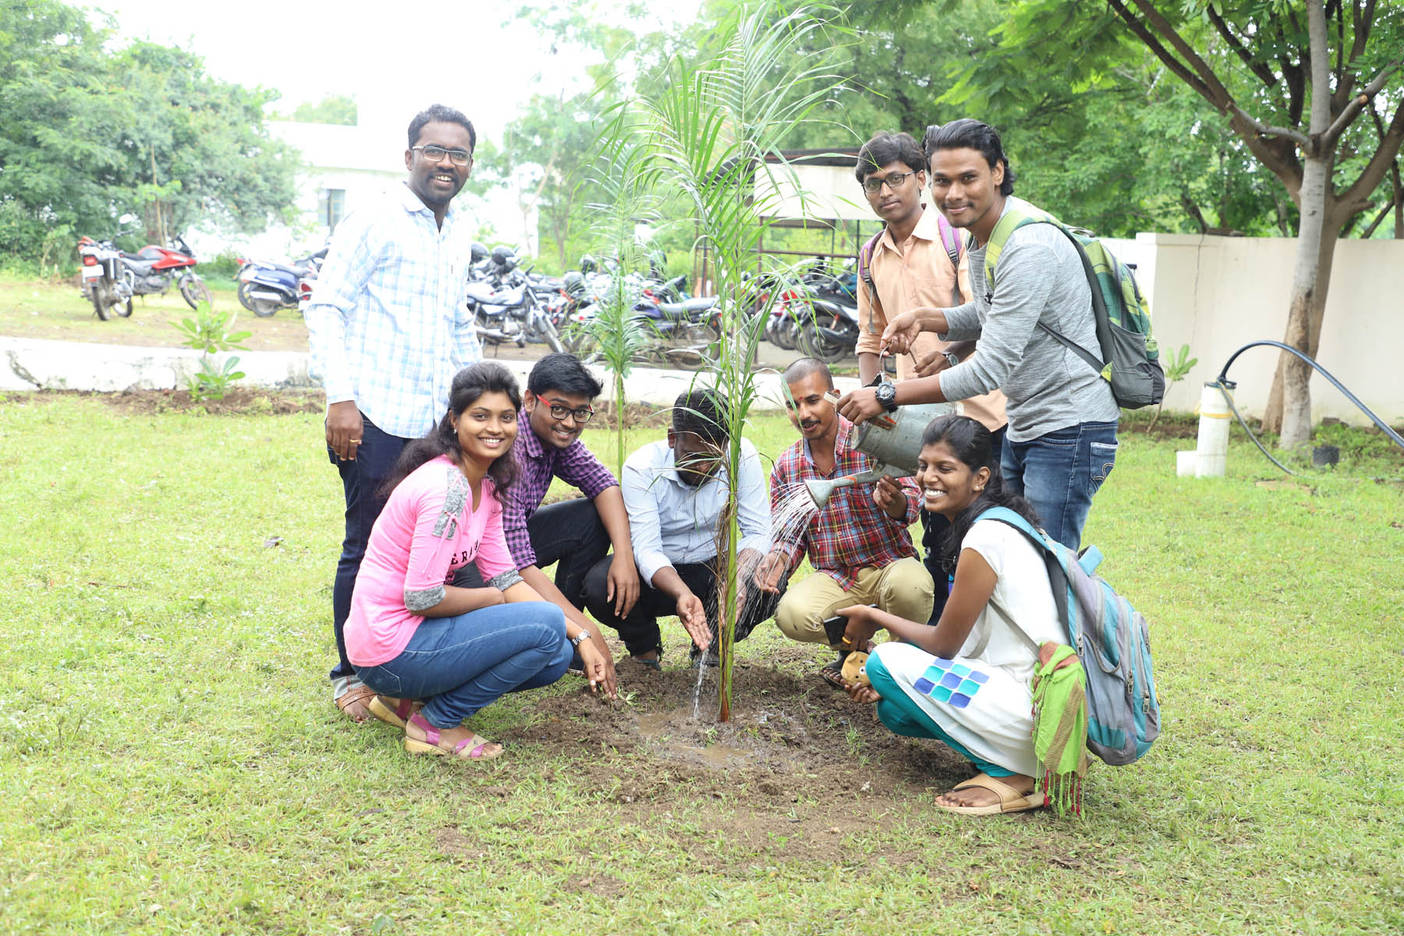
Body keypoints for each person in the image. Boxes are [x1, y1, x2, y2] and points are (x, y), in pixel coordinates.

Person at [839, 119, 1118, 552]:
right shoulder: (982, 237)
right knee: (1003, 553)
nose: (953, 193)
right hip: (1029, 421)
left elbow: (988, 369)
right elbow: (989, 312)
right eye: (944, 181)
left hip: (1067, 425)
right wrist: (929, 318)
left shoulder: (1027, 247)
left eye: (968, 178)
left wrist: (888, 394)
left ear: (998, 171)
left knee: (1043, 561)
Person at [304, 104, 484, 722]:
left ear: (469, 164)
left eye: (458, 153)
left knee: (427, 546)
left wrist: (478, 400)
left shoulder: (457, 230)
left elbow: (455, 322)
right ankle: (350, 673)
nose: (446, 163)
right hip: (374, 415)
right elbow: (327, 307)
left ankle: (406, 665)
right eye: (434, 150)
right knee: (366, 544)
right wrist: (341, 399)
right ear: (409, 157)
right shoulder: (374, 218)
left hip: (434, 423)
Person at [344, 363, 611, 760]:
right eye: (480, 416)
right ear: (454, 420)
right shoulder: (446, 490)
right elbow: (423, 598)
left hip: (412, 642)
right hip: (389, 649)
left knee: (556, 653)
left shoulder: (485, 486)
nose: (495, 428)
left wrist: (581, 636)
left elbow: (507, 577)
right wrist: (494, 600)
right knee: (546, 624)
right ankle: (436, 723)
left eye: (505, 417)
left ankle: (403, 702)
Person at [838, 414, 1072, 814]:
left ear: (980, 478)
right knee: (893, 708)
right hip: (1026, 702)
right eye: (923, 465)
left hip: (1034, 711)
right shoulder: (991, 525)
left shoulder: (986, 536)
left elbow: (944, 645)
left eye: (945, 468)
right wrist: (899, 684)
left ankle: (1016, 774)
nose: (928, 477)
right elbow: (962, 643)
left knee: (883, 661)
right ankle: (1007, 757)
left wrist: (872, 616)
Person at [850, 129, 1008, 623]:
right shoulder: (870, 256)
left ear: (920, 179)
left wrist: (951, 355)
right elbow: (870, 340)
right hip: (923, 425)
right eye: (873, 184)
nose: (885, 192)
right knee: (939, 535)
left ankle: (993, 639)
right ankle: (941, 642)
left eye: (895, 178)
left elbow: (987, 320)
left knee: (991, 530)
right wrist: (875, 406)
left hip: (982, 416)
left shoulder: (957, 238)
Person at [455, 353, 634, 697]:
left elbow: (604, 484)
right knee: (551, 644)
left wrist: (624, 556)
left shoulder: (555, 437)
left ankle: (565, 630)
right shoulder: (510, 451)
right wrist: (588, 630)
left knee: (590, 517)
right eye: (559, 409)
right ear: (529, 400)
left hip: (506, 547)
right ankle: (564, 633)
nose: (569, 422)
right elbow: (515, 565)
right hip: (471, 564)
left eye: (580, 412)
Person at [754, 358, 933, 687]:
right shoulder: (787, 466)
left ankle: (899, 661)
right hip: (837, 578)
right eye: (793, 406)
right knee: (792, 615)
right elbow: (790, 536)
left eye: (812, 400)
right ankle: (855, 651)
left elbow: (912, 501)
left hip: (889, 565)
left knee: (912, 588)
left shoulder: (872, 439)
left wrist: (895, 503)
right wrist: (778, 560)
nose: (804, 414)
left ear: (834, 396)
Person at [582, 389, 780, 667]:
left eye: (714, 458)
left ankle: (710, 648)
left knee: (768, 583)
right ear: (672, 438)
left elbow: (758, 531)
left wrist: (737, 578)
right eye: (692, 456)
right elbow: (647, 549)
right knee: (601, 585)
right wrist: (681, 593)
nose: (703, 467)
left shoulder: (740, 454)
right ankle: (644, 649)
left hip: (717, 570)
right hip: (660, 578)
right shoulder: (642, 467)